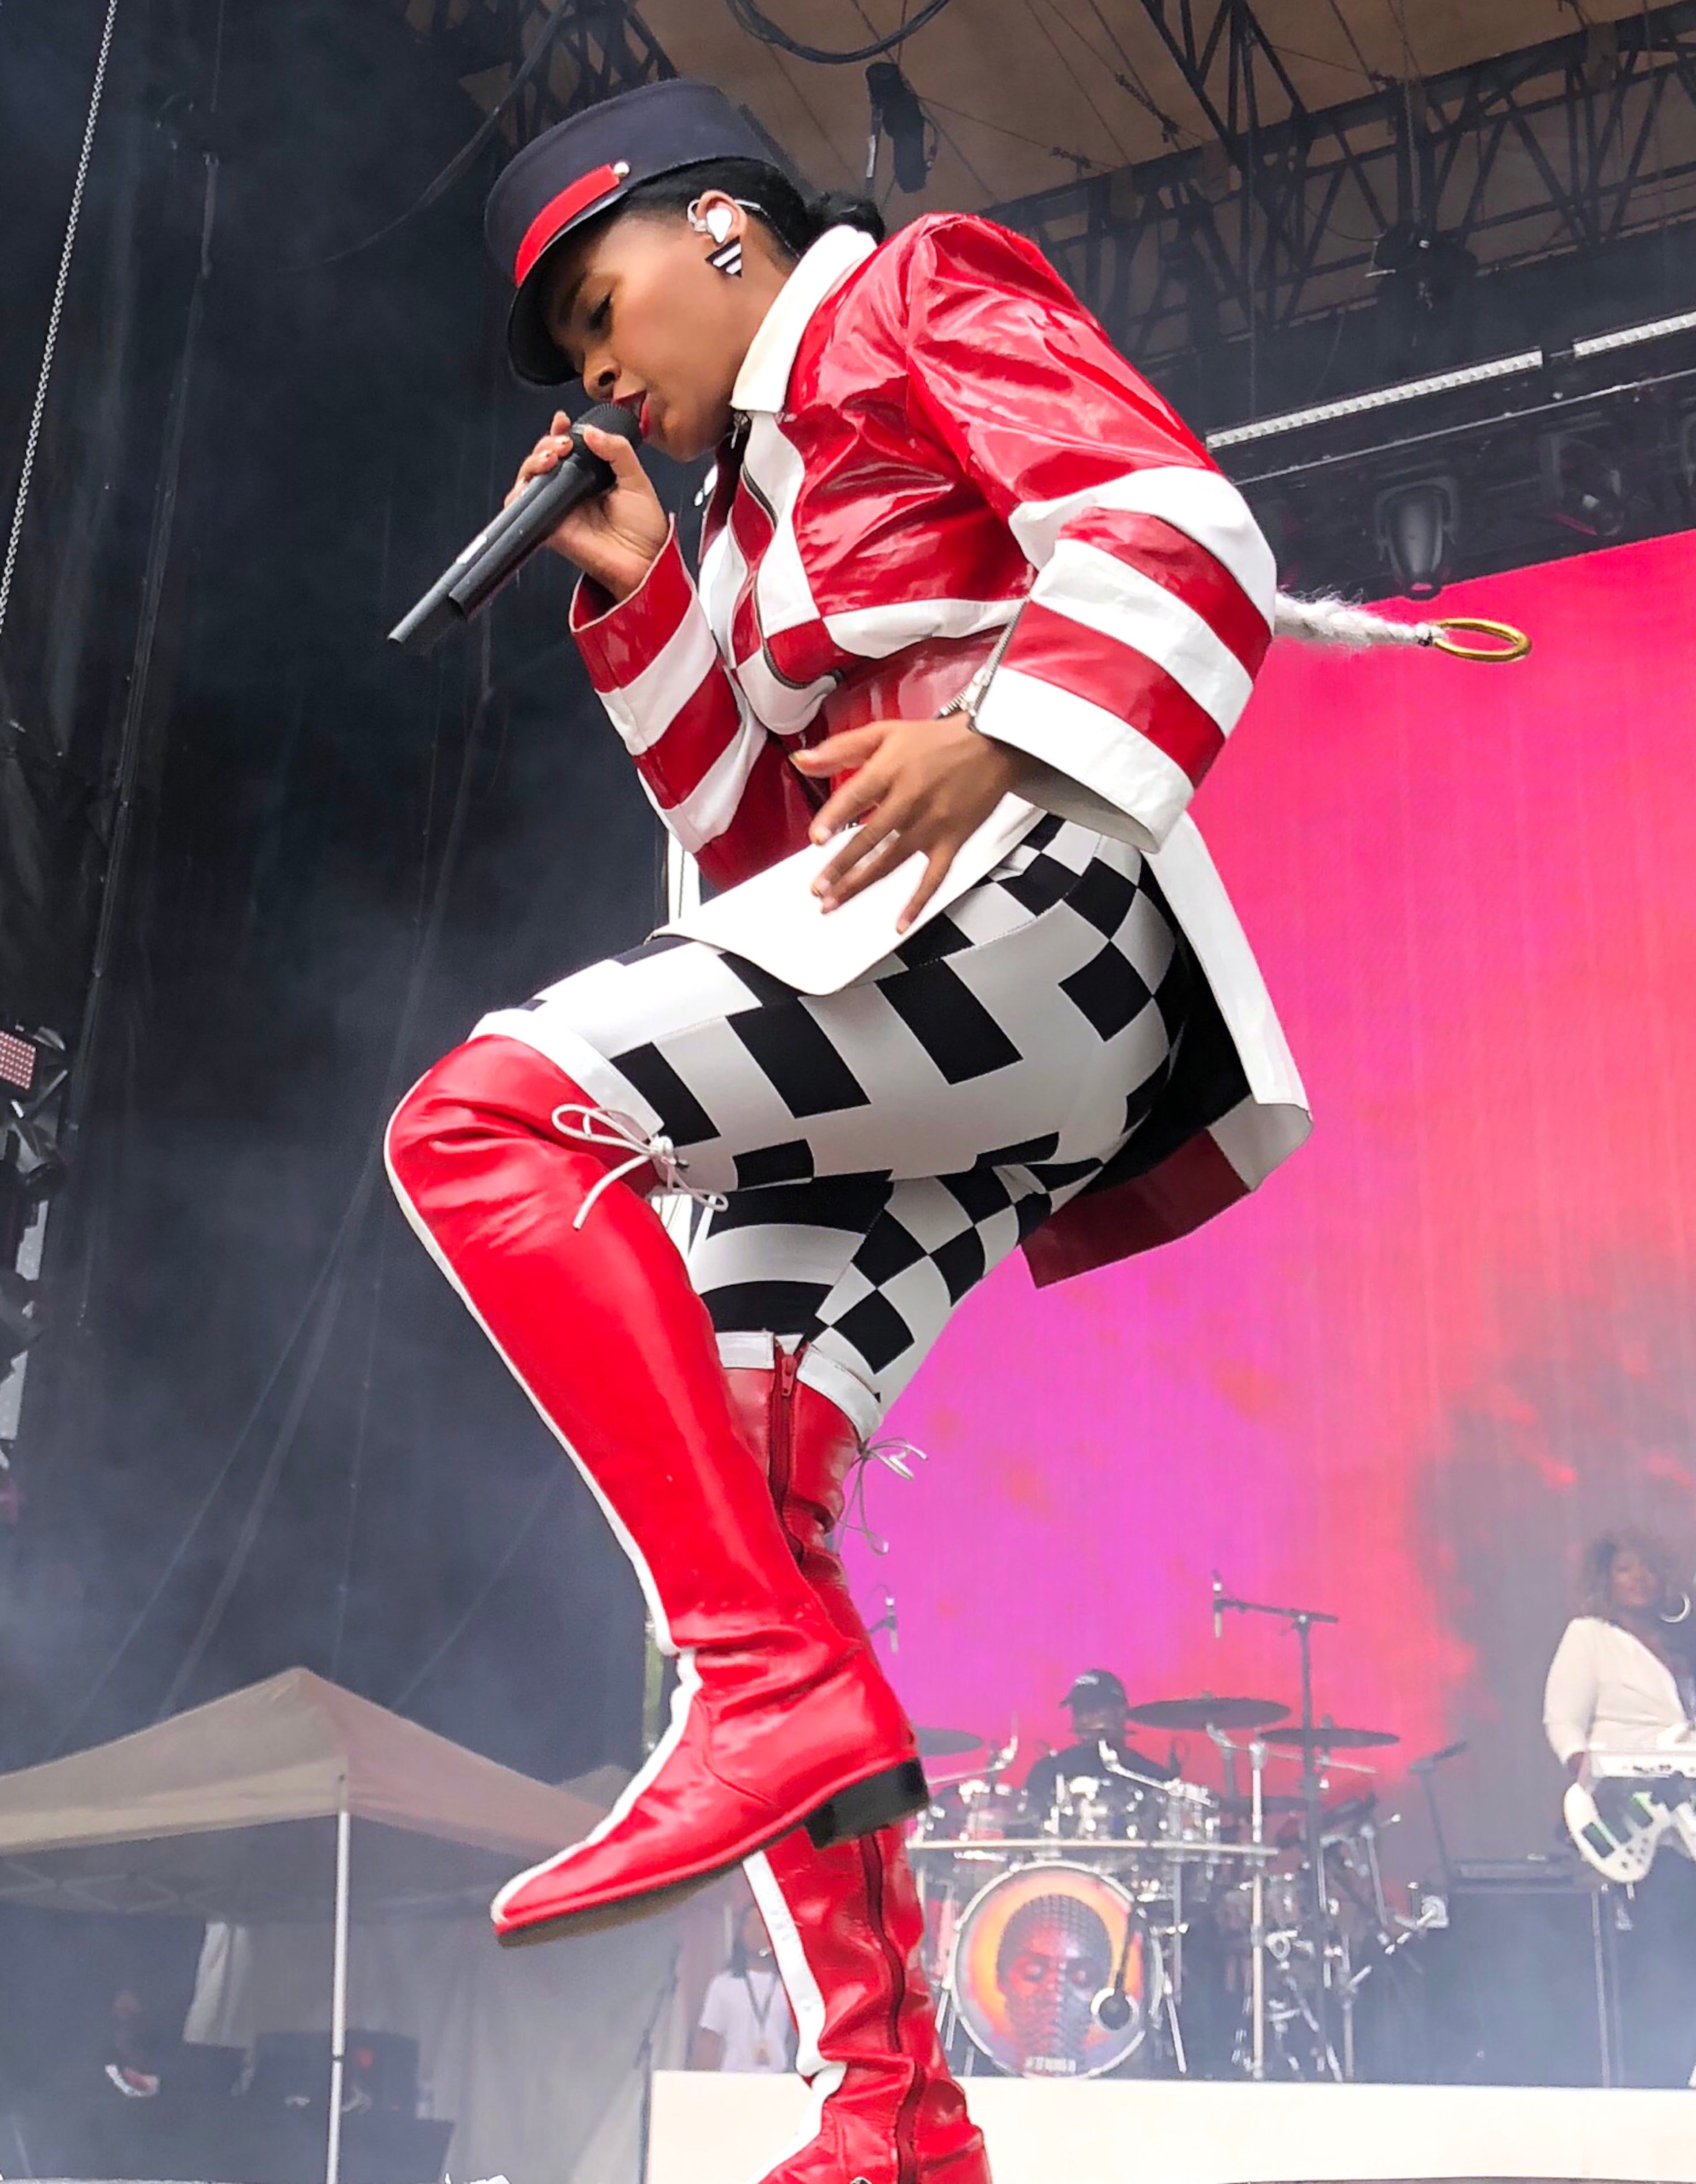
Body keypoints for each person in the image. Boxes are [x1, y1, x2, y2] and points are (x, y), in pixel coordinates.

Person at [384, 73, 1459, 2184]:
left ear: (721, 233)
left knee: (484, 1125)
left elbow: (1178, 526)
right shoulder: (755, 505)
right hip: (922, 1009)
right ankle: (888, 2106)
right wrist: (639, 601)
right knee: (742, 1460)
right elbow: (750, 835)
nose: (610, 372)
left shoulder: (908, 298)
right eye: (582, 361)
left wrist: (995, 740)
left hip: (1041, 917)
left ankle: (758, 1690)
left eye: (609, 311)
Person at [1544, 1529, 1696, 2087]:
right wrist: (1585, 1771)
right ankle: (1659, 2072)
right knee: (1664, 1938)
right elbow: (1562, 1717)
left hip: (1689, 1799)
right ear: (1606, 1579)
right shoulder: (1591, 1637)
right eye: (1628, 1569)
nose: (1641, 1579)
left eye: (1651, 1568)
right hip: (1629, 1800)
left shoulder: (1683, 1642)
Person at [1024, 1669, 1175, 1821]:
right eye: (1078, 1711)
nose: (1083, 1720)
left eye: (1093, 1710)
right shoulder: (1048, 1771)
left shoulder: (1152, 1777)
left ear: (1120, 1712)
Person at [692, 1900, 795, 2073]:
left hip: (779, 2084)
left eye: (761, 1924)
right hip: (734, 2082)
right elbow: (709, 2041)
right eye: (748, 1924)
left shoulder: (789, 1987)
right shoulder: (723, 1984)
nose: (755, 1931)